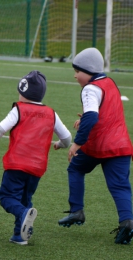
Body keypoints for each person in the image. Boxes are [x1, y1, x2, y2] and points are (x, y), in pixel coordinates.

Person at [0, 70, 72, 245]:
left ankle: (23, 214)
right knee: (25, 199)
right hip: (37, 168)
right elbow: (67, 138)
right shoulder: (51, 113)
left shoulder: (19, 109)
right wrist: (61, 145)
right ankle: (19, 235)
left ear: (22, 91)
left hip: (17, 164)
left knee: (7, 197)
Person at [58, 47, 133, 244]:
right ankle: (127, 223)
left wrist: (77, 143)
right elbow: (106, 112)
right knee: (120, 187)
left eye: (77, 71)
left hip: (99, 145)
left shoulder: (90, 88)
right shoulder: (109, 82)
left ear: (89, 70)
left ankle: (77, 211)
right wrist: (85, 119)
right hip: (121, 146)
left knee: (75, 168)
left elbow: (93, 116)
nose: (75, 76)